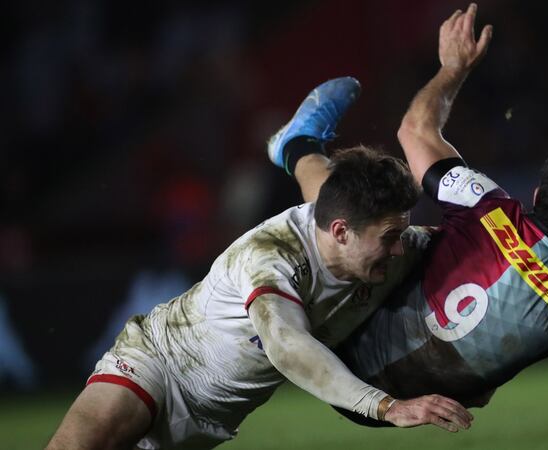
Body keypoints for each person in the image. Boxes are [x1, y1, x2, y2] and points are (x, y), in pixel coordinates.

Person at [277, 4, 548, 449]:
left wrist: (452, 69)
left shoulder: (488, 206)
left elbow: (414, 129)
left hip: (346, 344)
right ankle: (296, 143)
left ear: (537, 198)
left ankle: (298, 146)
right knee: (377, 225)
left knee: (359, 216)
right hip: (388, 403)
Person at [47, 77, 473, 450]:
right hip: (157, 366)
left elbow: (455, 241)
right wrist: (387, 407)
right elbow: (288, 346)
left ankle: (297, 143)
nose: (401, 249)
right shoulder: (270, 256)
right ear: (343, 232)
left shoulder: (358, 231)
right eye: (391, 238)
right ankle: (298, 144)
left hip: (209, 424)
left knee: (326, 193)